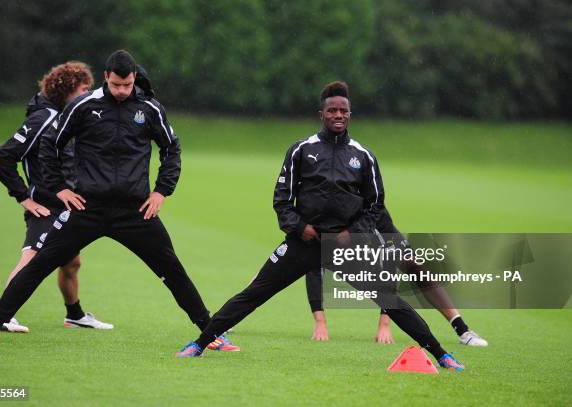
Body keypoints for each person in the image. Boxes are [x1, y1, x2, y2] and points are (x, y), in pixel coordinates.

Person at [175, 81, 465, 371]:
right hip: (304, 243)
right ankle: (200, 344)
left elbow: (375, 204)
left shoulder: (363, 156)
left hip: (346, 247)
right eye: (332, 110)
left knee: (391, 300)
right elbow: (282, 199)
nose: (338, 115)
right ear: (321, 114)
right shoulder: (301, 150)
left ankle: (442, 355)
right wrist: (301, 228)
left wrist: (352, 234)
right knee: (254, 294)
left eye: (343, 110)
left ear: (350, 115)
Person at [0, 50, 237, 352]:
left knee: (173, 270)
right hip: (87, 208)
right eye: (116, 85)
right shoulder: (83, 105)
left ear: (134, 78)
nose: (122, 91)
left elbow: (171, 149)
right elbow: (50, 144)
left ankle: (211, 333)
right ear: (106, 78)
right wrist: (59, 188)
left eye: (126, 85)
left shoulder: (150, 108)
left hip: (135, 211)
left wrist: (161, 191)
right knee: (40, 263)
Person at [0, 61, 112, 331]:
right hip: (45, 207)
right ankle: (3, 317)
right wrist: (25, 198)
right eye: (83, 88)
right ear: (68, 89)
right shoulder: (43, 118)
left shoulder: (68, 115)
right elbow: (4, 157)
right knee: (33, 259)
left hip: (66, 206)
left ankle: (75, 315)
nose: (87, 93)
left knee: (72, 263)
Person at [306, 211, 488, 346]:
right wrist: (320, 322)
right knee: (315, 258)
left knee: (415, 267)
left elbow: (388, 266)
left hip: (373, 232)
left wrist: (384, 323)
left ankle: (461, 329)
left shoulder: (371, 210)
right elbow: (313, 269)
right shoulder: (324, 211)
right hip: (340, 238)